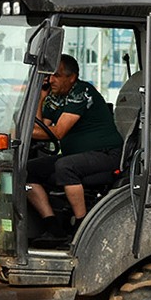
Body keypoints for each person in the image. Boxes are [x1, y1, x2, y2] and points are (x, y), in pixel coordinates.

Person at [26, 54, 123, 241]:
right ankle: (52, 226)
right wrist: (40, 98)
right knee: (28, 170)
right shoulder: (56, 98)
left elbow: (57, 132)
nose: (51, 80)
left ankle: (81, 228)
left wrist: (24, 132)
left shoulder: (81, 91)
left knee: (65, 166)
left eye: (57, 76)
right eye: (50, 76)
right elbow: (41, 126)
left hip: (107, 154)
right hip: (77, 154)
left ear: (72, 77)